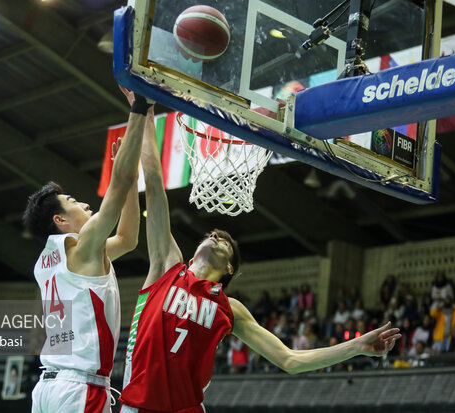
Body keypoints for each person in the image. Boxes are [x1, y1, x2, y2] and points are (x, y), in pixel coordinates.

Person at [119, 96, 402, 413]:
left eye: (226, 241)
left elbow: (289, 360)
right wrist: (143, 110)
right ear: (194, 251)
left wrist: (356, 346)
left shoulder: (230, 308)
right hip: (138, 406)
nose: (217, 236)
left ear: (228, 269)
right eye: (212, 234)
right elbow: (154, 184)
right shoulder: (166, 267)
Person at [24, 93, 153, 413]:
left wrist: (130, 182)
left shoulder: (49, 260)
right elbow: (119, 183)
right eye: (73, 202)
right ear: (61, 220)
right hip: (78, 388)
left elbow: (127, 239)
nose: (84, 204)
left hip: (48, 389)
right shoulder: (82, 250)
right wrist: (140, 107)